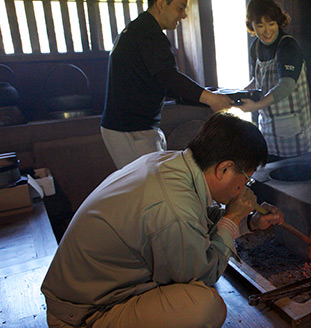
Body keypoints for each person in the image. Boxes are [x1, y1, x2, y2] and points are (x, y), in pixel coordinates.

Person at [42, 112, 285, 328]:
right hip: (84, 315)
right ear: (224, 169)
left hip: (92, 294)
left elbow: (196, 222)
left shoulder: (170, 164)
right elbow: (202, 276)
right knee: (205, 307)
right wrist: (233, 216)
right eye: (247, 178)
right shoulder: (173, 206)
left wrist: (249, 221)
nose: (244, 188)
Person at [101, 0, 232, 169]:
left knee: (152, 184)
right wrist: (211, 99)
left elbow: (162, 83)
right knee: (150, 188)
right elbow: (168, 76)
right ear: (161, 4)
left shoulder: (139, 29)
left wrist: (205, 95)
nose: (184, 15)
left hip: (131, 127)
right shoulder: (149, 34)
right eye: (180, 8)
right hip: (129, 129)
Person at [235, 0, 311, 162]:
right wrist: (235, 96)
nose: (267, 31)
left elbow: (286, 85)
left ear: (278, 23)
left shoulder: (287, 45)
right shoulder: (255, 47)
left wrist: (255, 105)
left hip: (293, 130)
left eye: (271, 24)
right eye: (260, 25)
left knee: (294, 178)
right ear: (252, 26)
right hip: (268, 128)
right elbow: (258, 81)